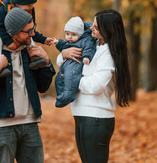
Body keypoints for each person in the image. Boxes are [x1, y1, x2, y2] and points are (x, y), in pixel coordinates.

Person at [0, 7, 56, 163]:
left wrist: (46, 62)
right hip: (0, 126)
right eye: (28, 31)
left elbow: (42, 87)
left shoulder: (30, 52)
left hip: (30, 124)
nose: (33, 34)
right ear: (14, 32)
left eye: (33, 29)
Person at [56, 9, 132, 163]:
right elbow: (69, 63)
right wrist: (62, 55)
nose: (91, 28)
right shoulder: (92, 44)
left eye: (96, 27)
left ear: (107, 30)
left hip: (96, 118)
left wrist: (73, 81)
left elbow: (96, 85)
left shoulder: (108, 53)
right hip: (82, 115)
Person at [53, 16, 96, 108]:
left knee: (70, 79)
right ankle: (61, 96)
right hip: (66, 65)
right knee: (58, 80)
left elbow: (89, 48)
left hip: (76, 65)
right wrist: (57, 42)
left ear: (80, 34)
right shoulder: (69, 42)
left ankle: (68, 96)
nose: (70, 37)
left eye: (73, 35)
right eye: (67, 34)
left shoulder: (86, 40)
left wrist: (86, 57)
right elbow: (64, 46)